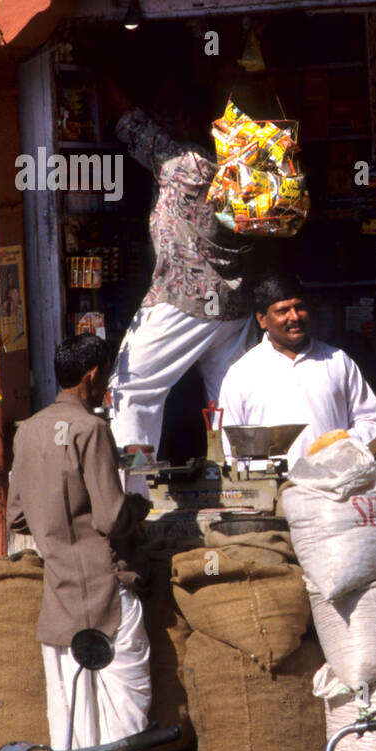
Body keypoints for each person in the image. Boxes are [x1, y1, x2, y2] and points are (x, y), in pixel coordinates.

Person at [5, 334, 152, 751]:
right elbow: (110, 519)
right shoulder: (90, 429)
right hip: (108, 589)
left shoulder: (26, 430)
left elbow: (17, 518)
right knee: (124, 710)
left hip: (61, 593)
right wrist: (139, 506)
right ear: (93, 375)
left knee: (70, 712)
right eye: (105, 373)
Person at [101, 78, 255, 470]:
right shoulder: (243, 171)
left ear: (187, 119)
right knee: (231, 400)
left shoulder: (186, 164)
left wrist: (95, 69)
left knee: (131, 391)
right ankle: (247, 483)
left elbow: (128, 120)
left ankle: (132, 492)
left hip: (184, 299)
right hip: (232, 307)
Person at [217, 274, 376, 461]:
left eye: (299, 307)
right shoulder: (242, 373)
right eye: (283, 311)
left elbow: (372, 420)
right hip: (272, 486)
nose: (295, 317)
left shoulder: (337, 360)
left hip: (336, 481)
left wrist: (343, 446)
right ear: (262, 320)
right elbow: (229, 444)